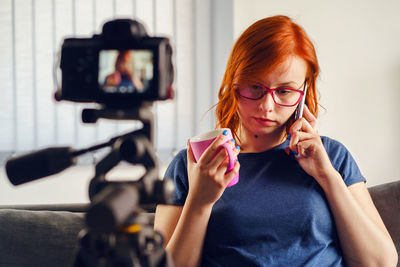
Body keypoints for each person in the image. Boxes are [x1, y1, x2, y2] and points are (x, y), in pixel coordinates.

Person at [154, 15, 398, 267]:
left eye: (284, 91)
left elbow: (381, 263)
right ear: (233, 83)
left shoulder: (332, 157)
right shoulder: (194, 164)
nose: (266, 106)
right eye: (253, 87)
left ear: (303, 93)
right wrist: (199, 201)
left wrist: (327, 177)